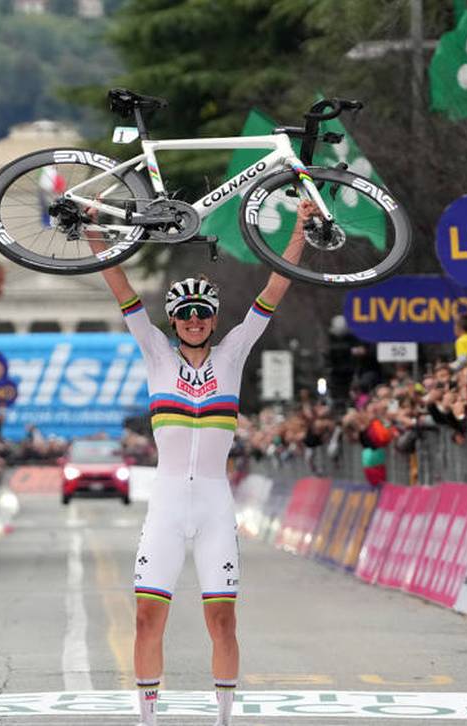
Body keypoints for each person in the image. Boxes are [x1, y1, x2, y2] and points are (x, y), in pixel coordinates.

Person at [91, 200, 316, 726]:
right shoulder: (156, 354)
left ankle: (224, 720)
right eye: (185, 314)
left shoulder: (233, 353)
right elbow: (121, 289)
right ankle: (147, 721)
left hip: (214, 505)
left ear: (214, 319)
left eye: (203, 313)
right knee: (147, 618)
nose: (194, 320)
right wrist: (94, 238)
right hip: (167, 506)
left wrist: (301, 229)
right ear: (173, 320)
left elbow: (275, 287)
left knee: (223, 622)